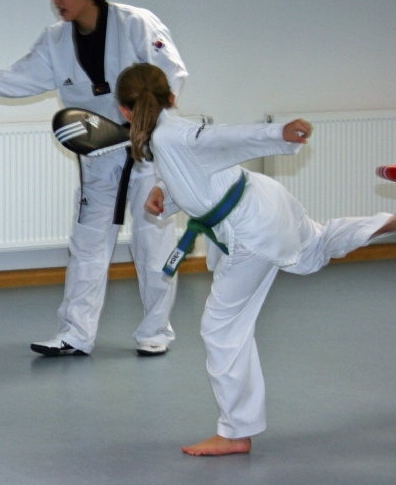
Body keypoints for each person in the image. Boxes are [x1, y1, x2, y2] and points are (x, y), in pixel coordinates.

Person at [115, 62, 396, 456]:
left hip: (252, 229)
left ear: (125, 111)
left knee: (221, 328)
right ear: (172, 98)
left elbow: (224, 138)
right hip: (264, 201)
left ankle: (236, 432)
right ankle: (388, 222)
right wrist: (166, 192)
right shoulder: (168, 135)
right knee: (316, 245)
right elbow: (198, 172)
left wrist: (277, 133)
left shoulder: (171, 136)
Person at [0, 0, 188, 357]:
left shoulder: (136, 25)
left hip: (148, 152)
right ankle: (75, 335)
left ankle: (155, 331)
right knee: (87, 244)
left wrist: (144, 125)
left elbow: (170, 79)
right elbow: (15, 80)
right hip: (98, 153)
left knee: (151, 243)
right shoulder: (55, 40)